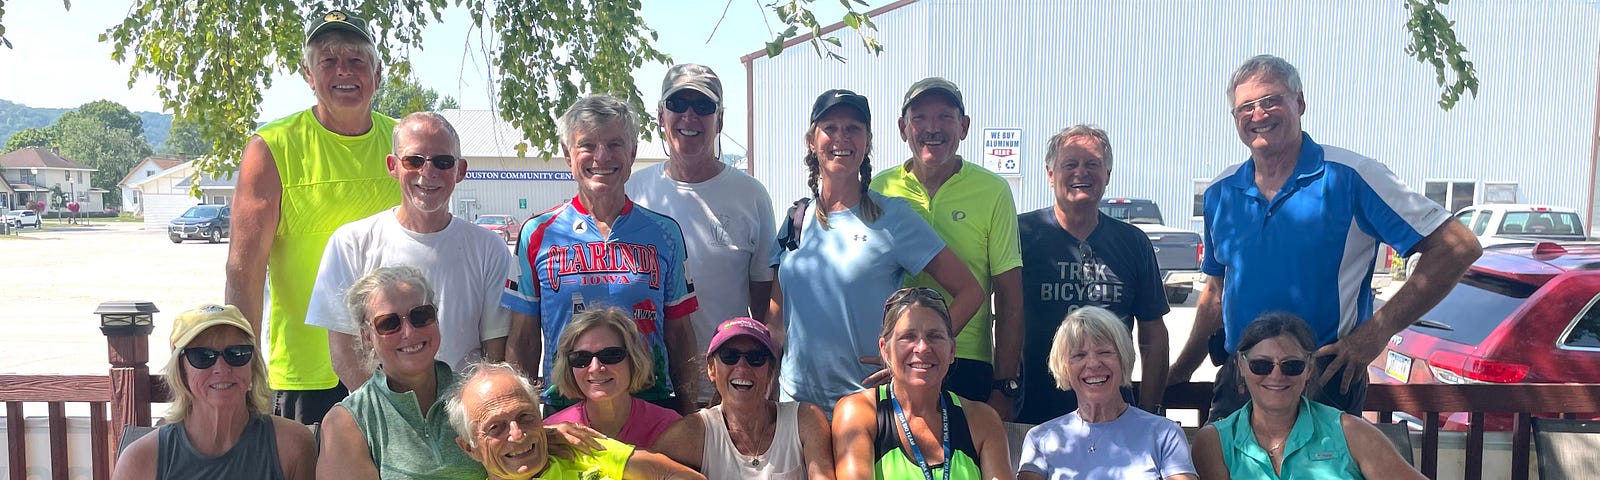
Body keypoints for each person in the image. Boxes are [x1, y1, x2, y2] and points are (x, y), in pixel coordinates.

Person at [1169, 54, 1483, 420]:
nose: (1259, 115)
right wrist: (1183, 369)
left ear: (1299, 102)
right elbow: (1216, 291)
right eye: (1246, 107)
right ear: (1235, 118)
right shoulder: (1220, 192)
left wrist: (1375, 334)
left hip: (1323, 379)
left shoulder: (1351, 177)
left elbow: (1457, 247)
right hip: (1243, 379)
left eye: (1271, 100)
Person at [225, 9, 400, 424]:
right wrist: (242, 369)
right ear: (308, 73)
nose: (344, 71)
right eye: (328, 60)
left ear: (377, 72)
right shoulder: (271, 149)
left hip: (398, 365)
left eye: (357, 60)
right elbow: (243, 272)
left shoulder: (405, 145)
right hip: (307, 379)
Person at [768, 89, 981, 416]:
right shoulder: (795, 218)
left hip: (865, 408)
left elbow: (970, 292)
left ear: (867, 141)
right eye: (830, 128)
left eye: (854, 128)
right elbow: (777, 318)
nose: (842, 137)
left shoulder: (894, 217)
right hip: (793, 409)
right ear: (812, 140)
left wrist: (911, 353)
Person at [502, 94, 700, 415]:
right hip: (567, 410)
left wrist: (691, 416)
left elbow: (680, 335)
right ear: (568, 155)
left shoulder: (665, 233)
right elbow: (523, 339)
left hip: (650, 405)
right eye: (587, 145)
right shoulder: (537, 233)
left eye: (615, 144)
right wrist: (519, 416)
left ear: (633, 152)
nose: (601, 156)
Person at [306, 112, 513, 390]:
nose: (428, 173)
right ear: (393, 166)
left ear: (460, 170)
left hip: (464, 417)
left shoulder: (490, 249)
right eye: (414, 160)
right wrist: (390, 417)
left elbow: (494, 353)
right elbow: (344, 353)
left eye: (442, 161)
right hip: (383, 420)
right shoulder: (350, 243)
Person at [870, 77, 1023, 417]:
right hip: (899, 360)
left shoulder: (992, 190)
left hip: (967, 359)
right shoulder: (880, 188)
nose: (932, 128)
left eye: (945, 117)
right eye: (920, 118)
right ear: (902, 128)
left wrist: (1005, 384)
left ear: (964, 127)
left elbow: (1010, 298)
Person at [627, 63, 777, 406]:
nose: (689, 117)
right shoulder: (634, 191)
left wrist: (763, 383)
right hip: (645, 388)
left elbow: (765, 306)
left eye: (703, 107)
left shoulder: (750, 195)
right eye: (678, 105)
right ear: (660, 116)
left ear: (720, 120)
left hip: (724, 391)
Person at [1016, 125, 1171, 425]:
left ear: (1108, 175)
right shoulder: (1022, 235)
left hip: (1113, 413)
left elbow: (1153, 334)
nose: (1081, 173)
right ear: (1050, 174)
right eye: (1070, 164)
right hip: (1033, 410)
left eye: (1092, 164)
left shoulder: (1133, 242)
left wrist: (1151, 411)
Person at [1191, 313, 1424, 479]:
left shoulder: (1350, 432)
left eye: (1292, 366)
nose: (1276, 375)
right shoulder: (1215, 442)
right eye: (1261, 365)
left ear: (1309, 369)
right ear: (1241, 367)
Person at [317, 265, 488, 478]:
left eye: (421, 316)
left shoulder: (480, 398)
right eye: (388, 323)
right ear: (367, 336)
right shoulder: (348, 422)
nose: (409, 332)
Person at [114, 304, 317, 480]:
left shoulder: (293, 446)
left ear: (252, 365)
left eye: (236, 354)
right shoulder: (140, 461)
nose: (222, 368)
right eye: (203, 356)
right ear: (181, 371)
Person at [832, 287, 1011, 480]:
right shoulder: (860, 412)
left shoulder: (982, 420)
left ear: (952, 351)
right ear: (885, 350)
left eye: (935, 336)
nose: (923, 348)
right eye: (908, 337)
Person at [447, 361, 707, 480]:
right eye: (496, 427)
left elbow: (676, 475)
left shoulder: (581, 448)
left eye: (525, 417)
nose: (517, 434)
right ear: (469, 448)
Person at [1017, 306, 1195, 480]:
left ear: (1123, 359)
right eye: (1079, 355)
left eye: (1105, 352)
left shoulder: (1164, 434)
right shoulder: (1040, 439)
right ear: (1064, 367)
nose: (1093, 363)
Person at [652, 317, 835, 480]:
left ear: (770, 370)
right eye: (729, 356)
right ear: (711, 369)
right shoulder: (692, 433)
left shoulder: (805, 420)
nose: (742, 366)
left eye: (755, 357)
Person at [545, 307, 681, 447]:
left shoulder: (670, 427)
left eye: (610, 355)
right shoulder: (552, 434)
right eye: (581, 358)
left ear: (633, 359)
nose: (595, 368)